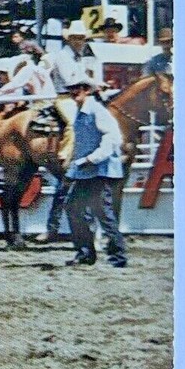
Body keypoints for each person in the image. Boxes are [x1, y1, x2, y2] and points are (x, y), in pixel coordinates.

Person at [61, 76, 128, 268]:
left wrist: (93, 158)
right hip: (86, 171)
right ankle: (85, 253)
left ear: (87, 90)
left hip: (99, 171)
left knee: (103, 213)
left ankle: (117, 256)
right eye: (71, 88)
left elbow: (113, 138)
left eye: (78, 88)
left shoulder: (97, 111)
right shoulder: (81, 113)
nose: (74, 92)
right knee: (74, 208)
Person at [49, 20, 103, 166]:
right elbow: (70, 80)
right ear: (70, 39)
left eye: (82, 38)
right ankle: (65, 158)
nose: (80, 41)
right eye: (76, 38)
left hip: (80, 97)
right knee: (74, 123)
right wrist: (94, 83)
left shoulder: (79, 58)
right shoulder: (62, 56)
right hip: (65, 97)